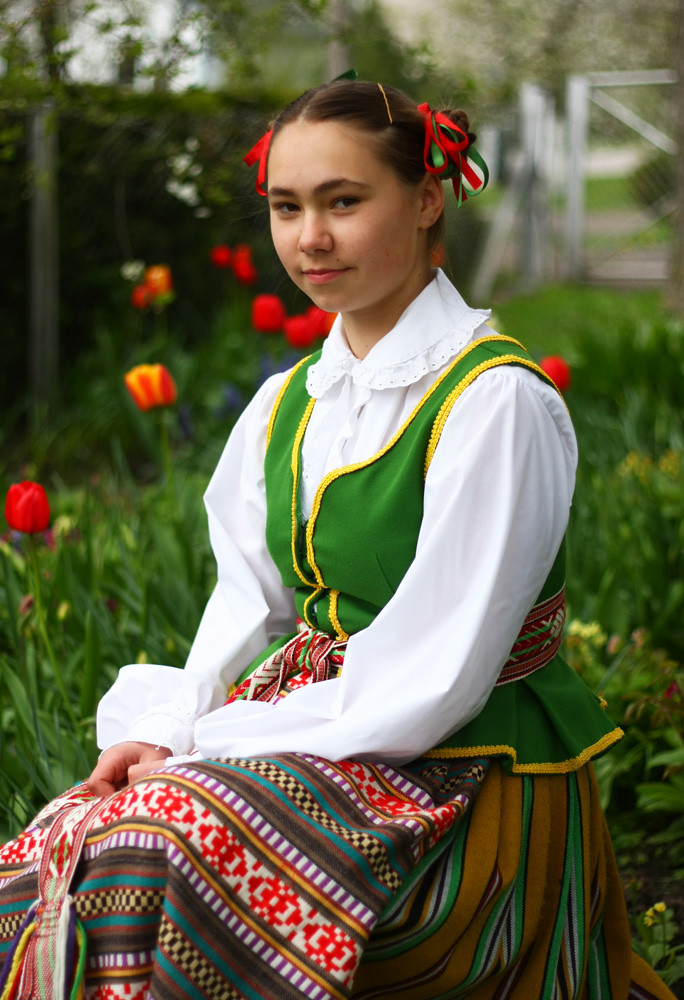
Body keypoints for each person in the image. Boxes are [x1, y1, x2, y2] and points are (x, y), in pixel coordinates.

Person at [0, 78, 675, 1000]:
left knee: (159, 840)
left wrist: (207, 752)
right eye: (287, 208)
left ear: (428, 199)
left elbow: (436, 676)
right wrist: (171, 726)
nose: (309, 238)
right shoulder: (286, 403)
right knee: (68, 842)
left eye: (343, 202)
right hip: (313, 730)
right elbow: (245, 599)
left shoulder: (493, 403)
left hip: (457, 770)